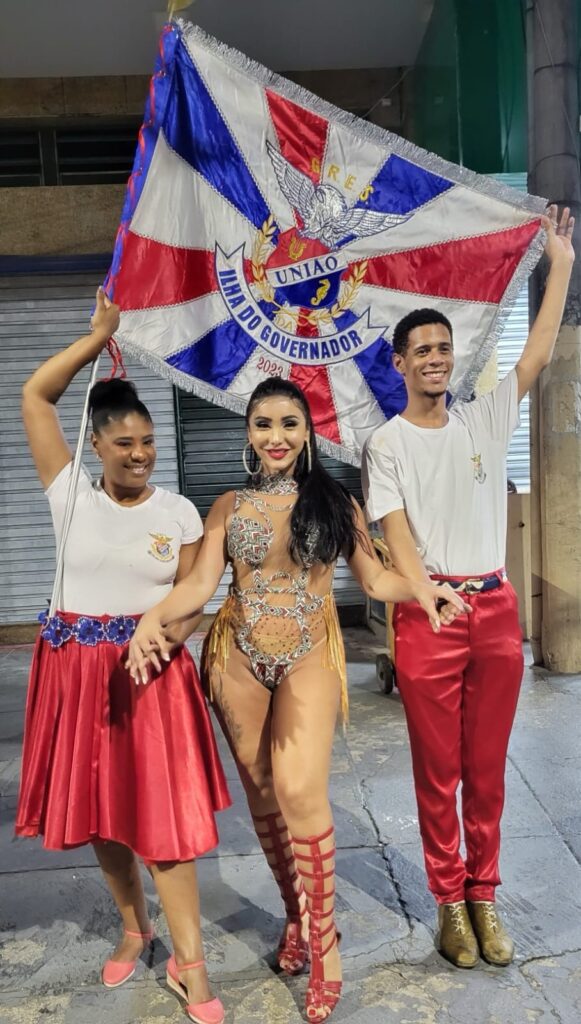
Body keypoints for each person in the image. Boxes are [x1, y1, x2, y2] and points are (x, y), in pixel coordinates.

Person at [127, 375, 469, 1022]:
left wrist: (423, 592)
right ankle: (295, 916)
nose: (275, 437)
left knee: (300, 792)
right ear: (248, 433)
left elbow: (373, 577)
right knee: (261, 796)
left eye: (288, 423)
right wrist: (153, 619)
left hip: (310, 652)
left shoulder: (337, 501)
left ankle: (327, 942)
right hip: (238, 659)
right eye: (263, 424)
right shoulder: (226, 505)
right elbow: (199, 584)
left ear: (306, 432)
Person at [362, 205, 575, 969]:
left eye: (442, 349)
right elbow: (396, 539)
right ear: (398, 363)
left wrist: (559, 264)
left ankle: (485, 897)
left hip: (492, 611)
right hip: (428, 615)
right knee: (436, 771)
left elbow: (542, 348)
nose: (433, 360)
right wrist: (423, 596)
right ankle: (447, 904)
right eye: (420, 350)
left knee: (485, 769)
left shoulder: (484, 418)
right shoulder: (384, 443)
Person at [15, 289, 231, 1024]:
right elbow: (36, 395)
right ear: (98, 445)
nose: (139, 455)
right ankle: (134, 926)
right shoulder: (67, 492)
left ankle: (190, 962)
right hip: (75, 677)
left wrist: (159, 633)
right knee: (106, 820)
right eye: (124, 444)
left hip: (152, 676)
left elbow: (193, 598)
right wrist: (97, 337)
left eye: (147, 443)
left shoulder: (178, 512)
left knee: (164, 827)